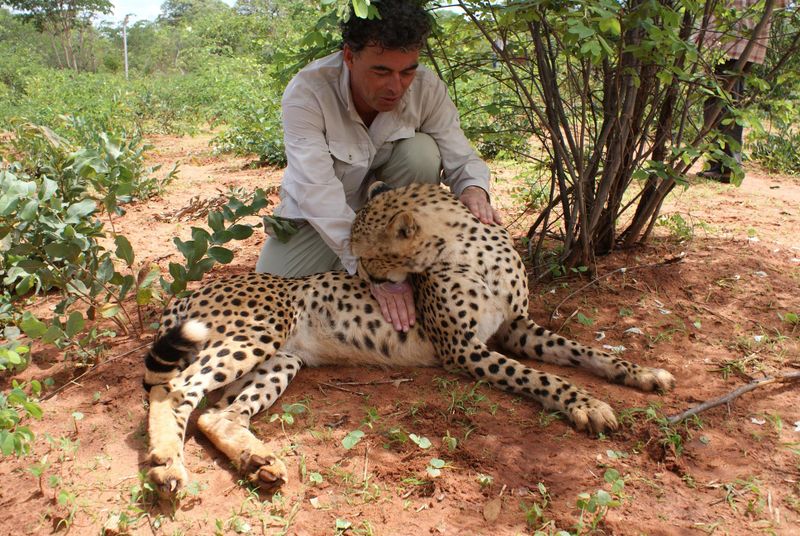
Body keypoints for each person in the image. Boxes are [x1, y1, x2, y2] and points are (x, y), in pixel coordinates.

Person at [256, 0, 502, 332]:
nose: (396, 86)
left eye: (407, 71)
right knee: (269, 300)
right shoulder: (308, 92)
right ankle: (382, 277)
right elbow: (316, 190)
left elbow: (461, 157)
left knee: (421, 152)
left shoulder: (427, 89)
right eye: (381, 71)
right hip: (320, 216)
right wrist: (367, 264)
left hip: (393, 224)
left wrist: (474, 190)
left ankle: (409, 272)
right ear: (349, 56)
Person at [699, 0, 785, 183]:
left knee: (721, 102)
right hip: (742, 42)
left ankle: (726, 166)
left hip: (730, 43)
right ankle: (722, 164)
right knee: (725, 101)